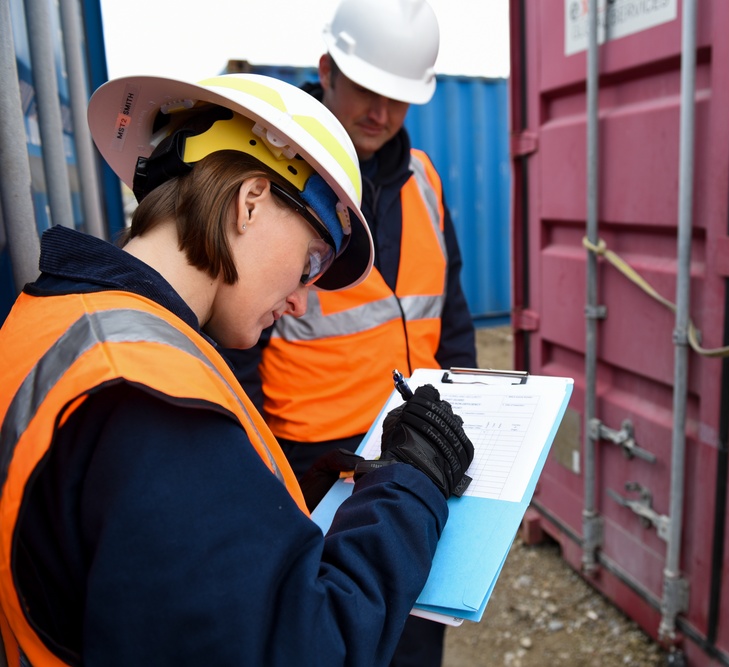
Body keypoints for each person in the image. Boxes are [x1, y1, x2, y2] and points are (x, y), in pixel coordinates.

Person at [0, 72, 473, 666]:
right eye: (311, 261)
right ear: (251, 202)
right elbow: (305, 650)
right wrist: (412, 481)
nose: (302, 299)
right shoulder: (151, 404)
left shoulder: (59, 317)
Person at [225, 2, 477, 664]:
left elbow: (451, 314)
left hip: (414, 448)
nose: (382, 111)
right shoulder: (272, 173)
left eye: (399, 95)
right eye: (369, 87)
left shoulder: (424, 178)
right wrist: (259, 475)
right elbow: (235, 345)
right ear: (327, 69)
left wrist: (469, 414)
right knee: (321, 637)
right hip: (309, 461)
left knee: (414, 626)